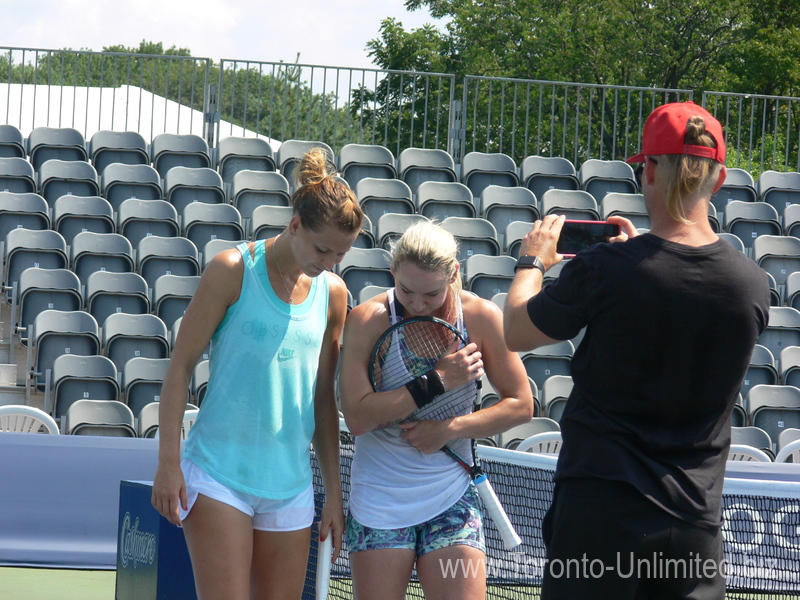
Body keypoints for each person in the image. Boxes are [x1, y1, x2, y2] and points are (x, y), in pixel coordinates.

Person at [504, 101, 771, 599]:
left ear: (648, 171)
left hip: (599, 512)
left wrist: (531, 263)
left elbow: (517, 330)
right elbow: (677, 288)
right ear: (719, 178)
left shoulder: (607, 268)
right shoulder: (753, 284)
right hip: (693, 520)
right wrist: (638, 251)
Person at [151, 148, 363, 600]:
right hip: (216, 475)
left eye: (340, 254)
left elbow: (323, 398)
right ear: (295, 225)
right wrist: (169, 462)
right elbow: (180, 367)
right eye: (323, 248)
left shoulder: (335, 294)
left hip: (291, 487)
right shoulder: (232, 270)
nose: (329, 262)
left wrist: (332, 493)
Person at [339, 220, 534, 600]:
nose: (416, 303)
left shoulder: (479, 317)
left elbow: (522, 404)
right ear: (392, 270)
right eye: (406, 290)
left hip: (452, 496)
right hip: (379, 498)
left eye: (430, 294)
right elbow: (358, 418)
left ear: (454, 274)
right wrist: (438, 380)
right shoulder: (366, 319)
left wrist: (450, 428)